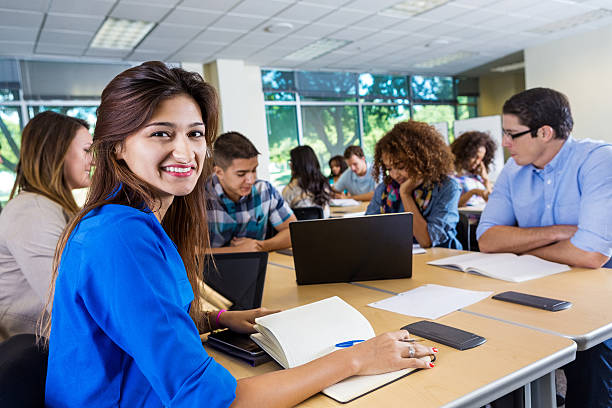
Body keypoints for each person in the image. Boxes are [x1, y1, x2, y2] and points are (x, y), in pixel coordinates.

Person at [41, 61, 436, 407]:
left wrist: (218, 318)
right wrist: (357, 359)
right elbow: (212, 401)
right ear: (116, 148)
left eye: (194, 134)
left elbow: (140, 319)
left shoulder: (124, 221)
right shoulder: (119, 238)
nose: (185, 152)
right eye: (161, 133)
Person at [476, 87, 612, 408]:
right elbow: (487, 240)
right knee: (496, 339)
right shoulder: (513, 170)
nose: (505, 144)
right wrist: (559, 233)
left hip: (600, 291)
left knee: (593, 362)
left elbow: (591, 255)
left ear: (545, 132)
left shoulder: (597, 160)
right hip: (538, 286)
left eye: (512, 134)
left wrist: (521, 245)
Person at [0, 111, 92, 340]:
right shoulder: (32, 212)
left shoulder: (48, 207)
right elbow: (69, 301)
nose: (92, 160)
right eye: (86, 150)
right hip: (32, 351)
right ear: (57, 153)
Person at [366, 121, 461, 249]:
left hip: (440, 260)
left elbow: (426, 240)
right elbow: (368, 232)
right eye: (389, 169)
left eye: (401, 167)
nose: (394, 175)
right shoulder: (385, 189)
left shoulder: (447, 187)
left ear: (422, 160)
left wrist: (405, 194)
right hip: (399, 256)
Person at [205, 132, 297, 253]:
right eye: (241, 174)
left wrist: (261, 246)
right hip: (209, 270)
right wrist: (236, 251)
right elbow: (184, 251)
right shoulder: (198, 198)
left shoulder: (265, 190)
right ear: (219, 172)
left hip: (255, 268)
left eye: (254, 170)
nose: (251, 180)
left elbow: (293, 232)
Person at [282, 145, 332, 218]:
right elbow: (326, 214)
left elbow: (284, 216)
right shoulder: (323, 185)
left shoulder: (289, 190)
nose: (290, 164)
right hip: (323, 228)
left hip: (298, 229)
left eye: (291, 161)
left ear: (296, 164)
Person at [450, 131, 497, 207]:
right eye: (475, 157)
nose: (478, 162)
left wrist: (486, 179)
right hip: (467, 217)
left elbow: (493, 200)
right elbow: (450, 205)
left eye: (481, 158)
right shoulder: (451, 176)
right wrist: (473, 192)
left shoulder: (477, 176)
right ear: (465, 153)